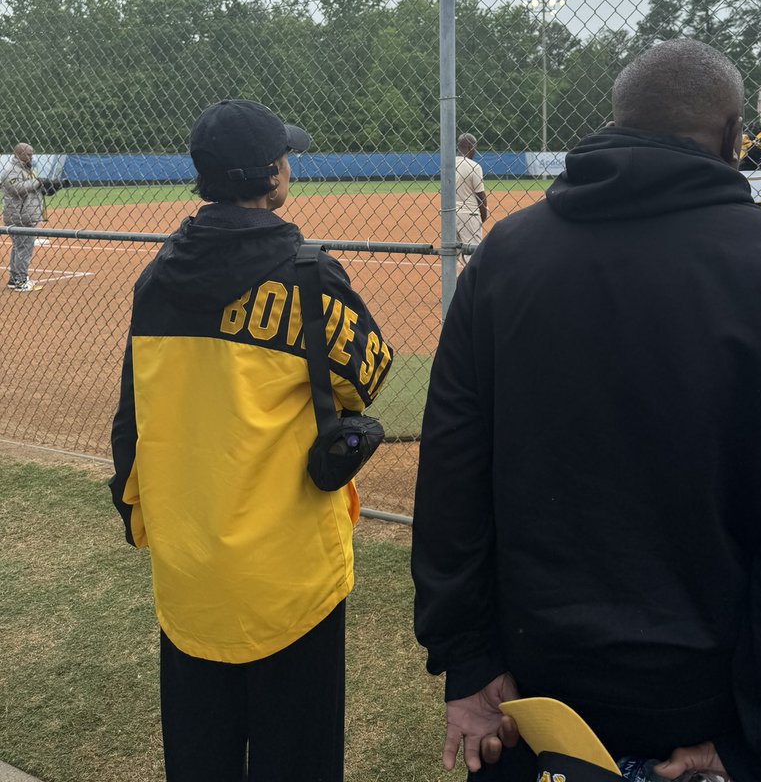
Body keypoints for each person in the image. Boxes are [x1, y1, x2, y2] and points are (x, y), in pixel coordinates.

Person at [412, 40, 761, 782]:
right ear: (734, 138)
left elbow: (450, 473)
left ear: (616, 121)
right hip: (710, 712)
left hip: (529, 703)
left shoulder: (507, 257)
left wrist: (467, 662)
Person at [110, 99, 393, 782]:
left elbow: (131, 427)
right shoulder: (308, 275)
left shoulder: (156, 282)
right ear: (271, 176)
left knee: (201, 759)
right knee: (297, 758)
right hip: (290, 577)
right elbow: (368, 382)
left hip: (190, 577)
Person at [2, 142, 53, 292]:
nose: (31, 157)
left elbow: (32, 190)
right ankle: (20, 281)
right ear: (18, 154)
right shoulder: (12, 170)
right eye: (28, 154)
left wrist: (47, 188)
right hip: (20, 216)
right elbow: (17, 189)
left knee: (19, 248)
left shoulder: (26, 170)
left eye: (32, 154)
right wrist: (38, 182)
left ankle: (14, 279)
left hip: (24, 214)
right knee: (24, 249)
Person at [456, 133, 488, 261]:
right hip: (470, 214)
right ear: (471, 146)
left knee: (451, 255)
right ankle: (472, 281)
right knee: (473, 255)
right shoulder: (474, 166)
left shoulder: (448, 164)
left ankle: (451, 280)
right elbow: (481, 195)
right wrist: (483, 215)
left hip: (449, 214)